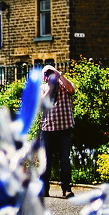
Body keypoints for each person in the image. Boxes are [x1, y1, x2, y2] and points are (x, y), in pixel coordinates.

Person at [40, 65, 75, 198]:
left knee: (65, 160)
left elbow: (71, 89)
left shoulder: (64, 84)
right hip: (48, 129)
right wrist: (50, 86)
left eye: (51, 72)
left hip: (65, 128)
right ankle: (44, 189)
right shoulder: (43, 88)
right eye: (47, 73)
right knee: (45, 161)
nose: (50, 75)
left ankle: (66, 188)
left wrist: (59, 74)